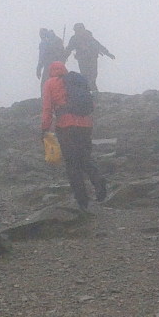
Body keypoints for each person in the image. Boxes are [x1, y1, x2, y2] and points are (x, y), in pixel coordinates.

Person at [41, 61, 108, 211]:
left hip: (66, 126)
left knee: (72, 163)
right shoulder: (77, 81)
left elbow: (47, 109)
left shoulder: (50, 83)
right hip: (85, 124)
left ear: (51, 71)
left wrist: (45, 128)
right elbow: (91, 105)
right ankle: (98, 182)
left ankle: (82, 200)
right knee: (85, 157)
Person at [64, 22, 114, 93]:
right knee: (87, 75)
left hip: (90, 59)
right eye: (76, 30)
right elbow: (69, 49)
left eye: (77, 30)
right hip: (84, 59)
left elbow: (97, 45)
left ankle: (91, 91)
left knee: (92, 75)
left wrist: (107, 53)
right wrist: (63, 58)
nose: (76, 32)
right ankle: (91, 91)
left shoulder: (87, 37)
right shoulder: (76, 38)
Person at [36, 28, 67, 93]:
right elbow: (63, 54)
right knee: (58, 83)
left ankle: (45, 100)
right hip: (58, 66)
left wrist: (39, 68)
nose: (41, 37)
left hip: (50, 66)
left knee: (45, 85)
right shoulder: (57, 40)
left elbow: (42, 56)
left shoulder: (45, 42)